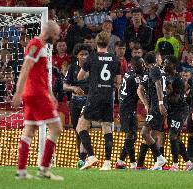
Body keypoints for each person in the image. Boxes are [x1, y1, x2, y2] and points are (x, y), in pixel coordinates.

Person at [12, 21, 64, 180]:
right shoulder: (35, 44)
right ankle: (44, 170)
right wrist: (17, 93)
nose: (57, 38)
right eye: (56, 35)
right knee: (56, 128)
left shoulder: (40, 47)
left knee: (29, 130)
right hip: (36, 94)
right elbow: (25, 68)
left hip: (35, 93)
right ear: (49, 32)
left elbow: (42, 75)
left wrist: (51, 94)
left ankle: (21, 172)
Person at [76, 31, 121, 171]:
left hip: (95, 95)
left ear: (96, 43)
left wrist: (91, 73)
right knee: (106, 127)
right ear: (108, 43)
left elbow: (79, 77)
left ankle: (91, 156)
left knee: (81, 126)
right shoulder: (115, 59)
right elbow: (118, 81)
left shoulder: (92, 58)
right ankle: (107, 162)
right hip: (108, 96)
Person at [137, 52, 167, 170]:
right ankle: (158, 163)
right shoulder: (159, 71)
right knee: (153, 134)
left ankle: (159, 158)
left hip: (156, 106)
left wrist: (160, 103)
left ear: (145, 63)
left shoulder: (153, 69)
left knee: (144, 132)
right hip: (158, 105)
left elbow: (158, 85)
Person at [63, 43, 91, 168]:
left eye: (86, 54)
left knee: (83, 128)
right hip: (75, 102)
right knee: (77, 130)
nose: (84, 57)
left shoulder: (93, 67)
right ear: (77, 56)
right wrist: (73, 87)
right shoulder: (72, 68)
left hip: (88, 102)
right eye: (82, 54)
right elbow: (64, 86)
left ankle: (83, 159)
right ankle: (81, 158)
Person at [115, 57, 144, 169]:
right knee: (131, 135)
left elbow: (120, 89)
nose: (143, 66)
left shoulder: (127, 74)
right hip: (128, 108)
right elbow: (140, 92)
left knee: (133, 135)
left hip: (126, 107)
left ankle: (120, 161)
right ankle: (133, 164)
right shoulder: (136, 77)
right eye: (141, 64)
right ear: (137, 65)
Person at [163, 55, 189, 171]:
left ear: (173, 65)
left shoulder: (178, 79)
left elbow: (176, 99)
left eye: (166, 62)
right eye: (164, 62)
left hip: (180, 110)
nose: (164, 64)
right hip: (171, 110)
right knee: (176, 138)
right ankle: (188, 162)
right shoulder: (165, 77)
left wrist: (166, 93)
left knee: (172, 135)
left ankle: (175, 164)